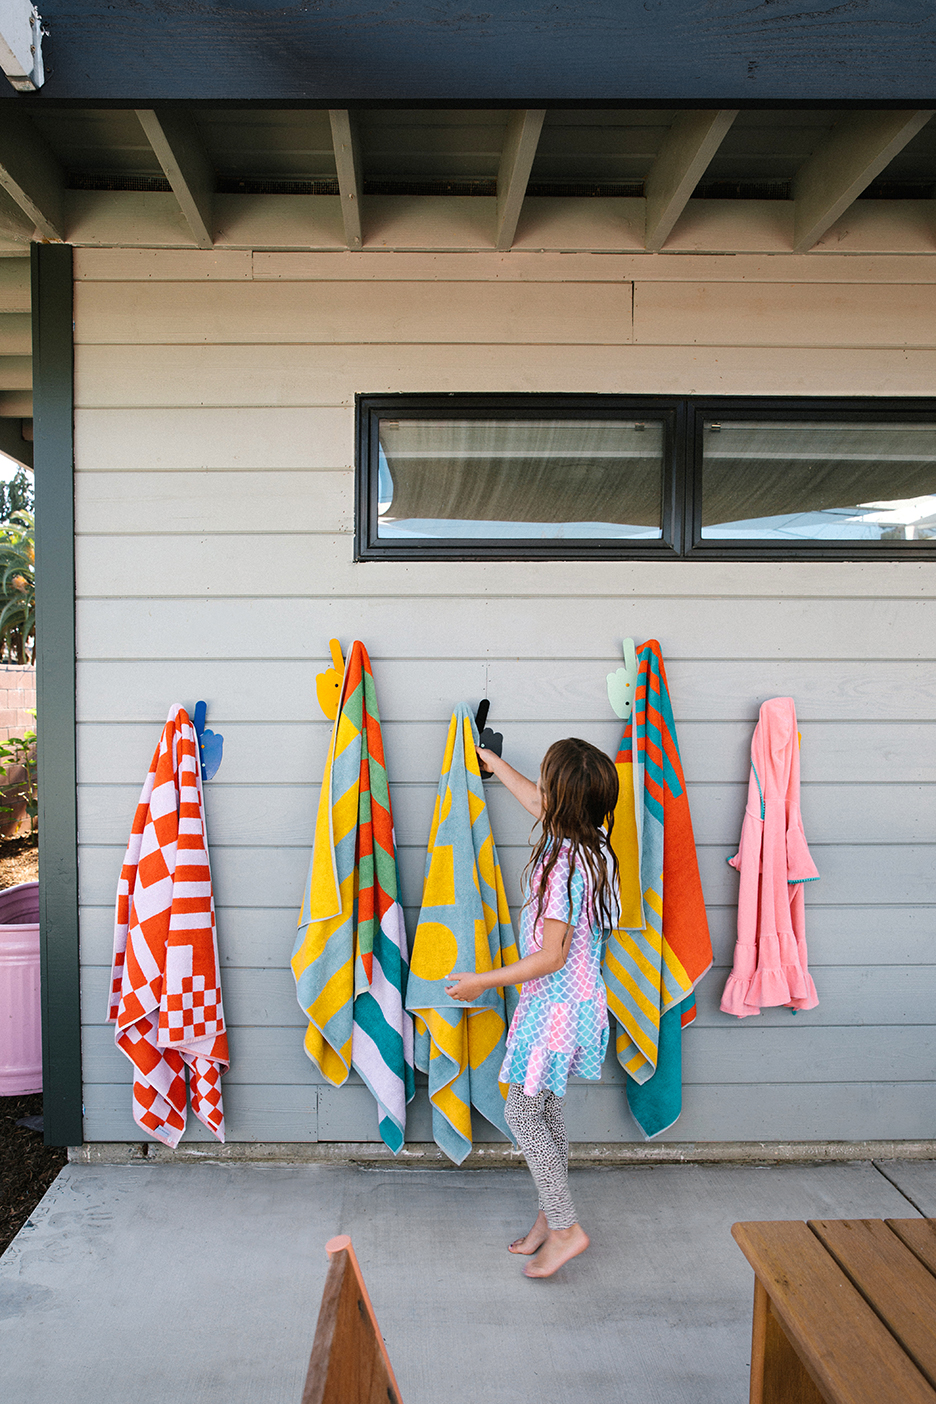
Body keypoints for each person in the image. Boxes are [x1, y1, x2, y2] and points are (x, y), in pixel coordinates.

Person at [446, 737, 619, 1279]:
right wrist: (495, 764)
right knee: (543, 1109)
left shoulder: (560, 869)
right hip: (578, 1000)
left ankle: (566, 1228)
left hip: (555, 1006)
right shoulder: (593, 838)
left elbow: (550, 956)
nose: (539, 790)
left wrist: (481, 982)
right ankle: (550, 1214)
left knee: (523, 1111)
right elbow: (537, 803)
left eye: (545, 782)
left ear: (560, 801)